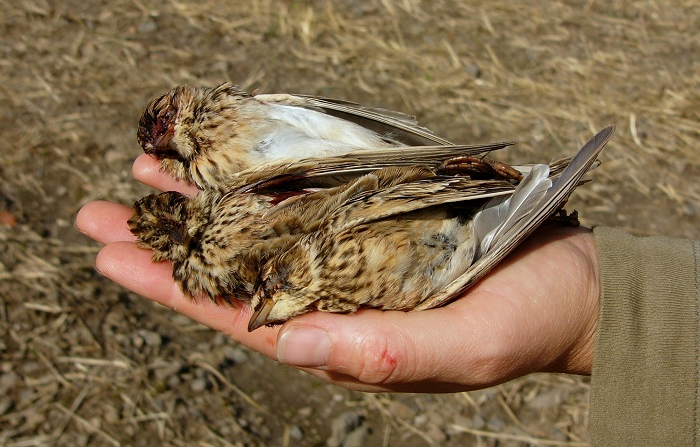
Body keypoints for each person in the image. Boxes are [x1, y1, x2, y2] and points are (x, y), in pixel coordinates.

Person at [75, 154, 699, 445]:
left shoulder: (330, 247)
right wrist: (602, 291)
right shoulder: (350, 274)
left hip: (449, 224)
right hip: (454, 242)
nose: (274, 299)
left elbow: (382, 202)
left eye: (277, 287)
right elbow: (452, 256)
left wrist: (593, 295)